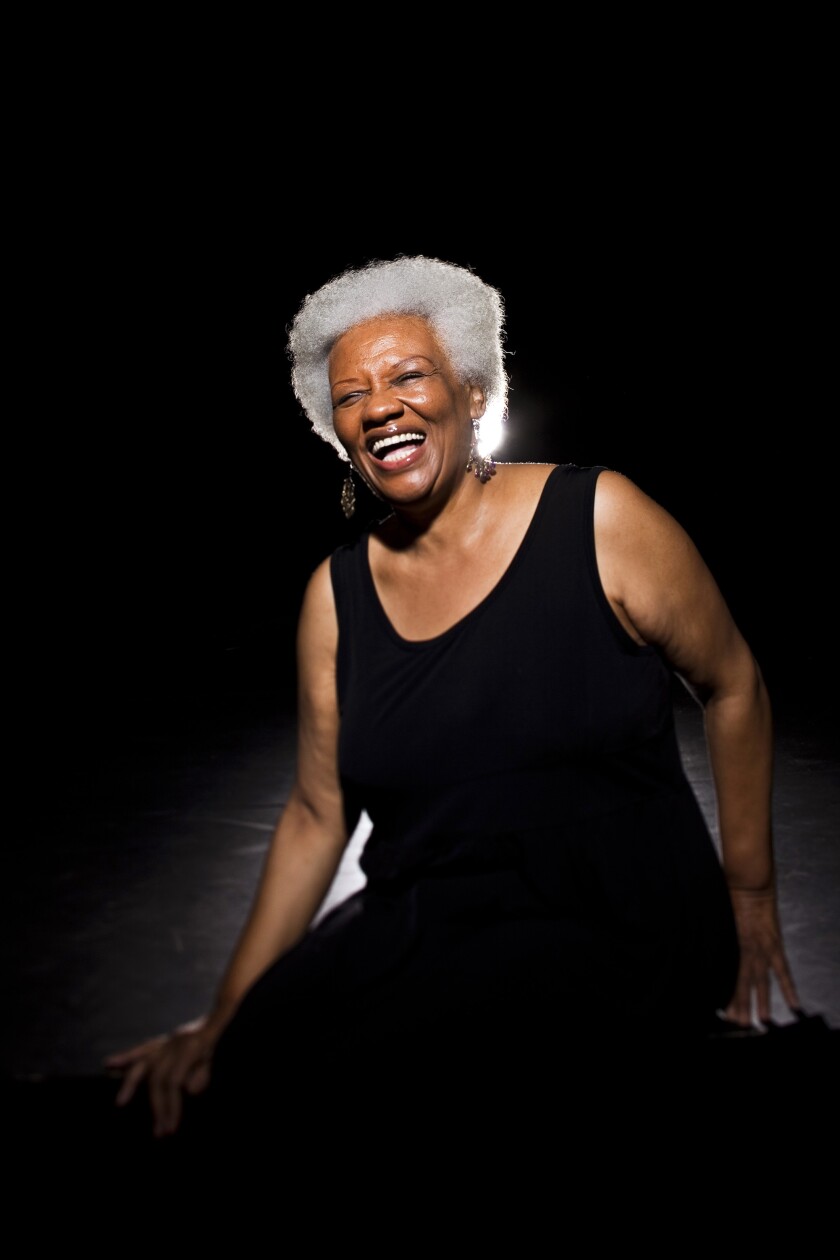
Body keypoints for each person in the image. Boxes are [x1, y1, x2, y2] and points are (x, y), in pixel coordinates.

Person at [105, 254, 803, 1148]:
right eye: (352, 395)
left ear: (473, 392)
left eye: (407, 376)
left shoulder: (601, 518)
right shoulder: (337, 595)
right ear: (336, 430)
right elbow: (319, 814)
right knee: (255, 1060)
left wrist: (750, 896)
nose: (380, 406)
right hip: (433, 923)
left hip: (620, 925)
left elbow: (733, 682)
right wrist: (225, 1016)